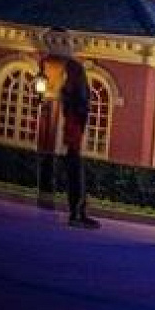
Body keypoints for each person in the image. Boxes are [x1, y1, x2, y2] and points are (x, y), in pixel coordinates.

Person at [60, 57, 100, 229]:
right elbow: (79, 110)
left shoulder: (71, 89)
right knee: (76, 175)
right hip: (74, 135)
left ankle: (78, 212)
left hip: (74, 134)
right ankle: (76, 214)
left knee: (76, 174)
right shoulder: (75, 89)